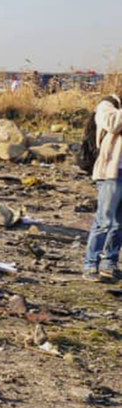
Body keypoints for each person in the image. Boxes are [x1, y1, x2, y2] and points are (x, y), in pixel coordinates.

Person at [83, 94, 122, 281]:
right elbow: (113, 124)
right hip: (110, 174)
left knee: (119, 224)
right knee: (104, 221)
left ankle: (109, 263)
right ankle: (90, 265)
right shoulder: (107, 104)